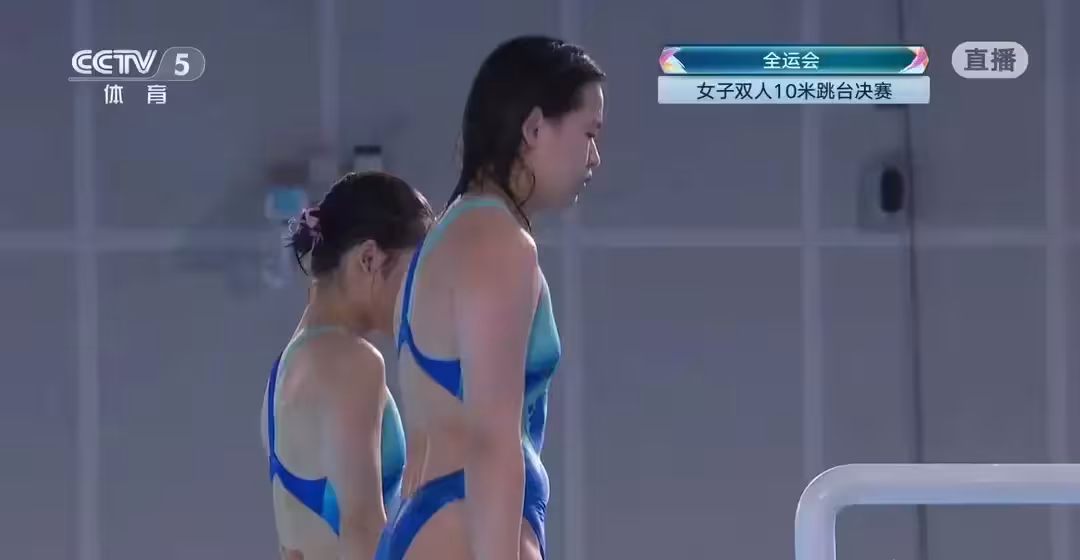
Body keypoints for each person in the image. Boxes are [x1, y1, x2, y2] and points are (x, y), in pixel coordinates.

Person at [375, 35, 605, 560]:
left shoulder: (451, 236)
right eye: (589, 133)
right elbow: (491, 440)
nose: (595, 156)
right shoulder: (498, 241)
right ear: (534, 128)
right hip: (467, 526)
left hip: (434, 523)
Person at [261, 172, 434, 560]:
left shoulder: (283, 375)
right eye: (416, 277)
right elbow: (363, 529)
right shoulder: (355, 364)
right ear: (369, 259)